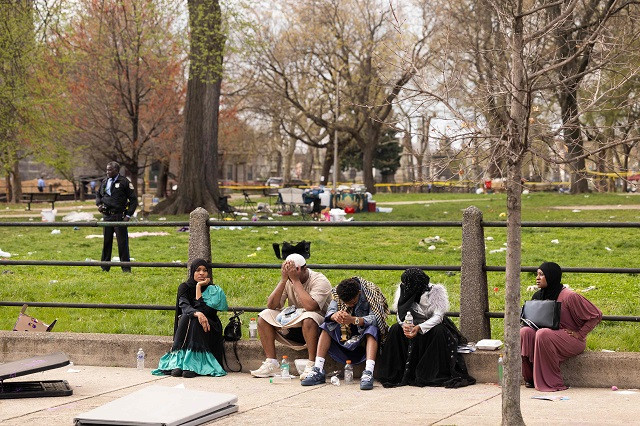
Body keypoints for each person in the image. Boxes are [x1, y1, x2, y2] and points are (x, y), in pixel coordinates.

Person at [377, 268, 476, 388]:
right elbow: (400, 311)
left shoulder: (435, 291)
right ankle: (395, 372)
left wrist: (419, 328)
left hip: (431, 325)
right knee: (394, 329)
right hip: (411, 323)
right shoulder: (404, 289)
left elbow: (438, 316)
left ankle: (431, 373)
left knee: (439, 332)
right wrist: (404, 325)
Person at [520, 262, 602, 391]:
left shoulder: (569, 296)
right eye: (537, 274)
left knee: (543, 334)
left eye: (541, 274)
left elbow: (596, 315)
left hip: (571, 340)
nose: (537, 278)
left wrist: (580, 334)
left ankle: (552, 382)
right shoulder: (537, 296)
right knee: (524, 332)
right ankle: (530, 378)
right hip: (546, 337)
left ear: (551, 276)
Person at [250, 253, 332, 379]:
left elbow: (311, 307)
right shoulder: (287, 280)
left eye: (295, 270)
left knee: (309, 317)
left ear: (305, 268)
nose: (291, 273)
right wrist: (284, 280)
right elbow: (271, 305)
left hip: (318, 323)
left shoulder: (320, 280)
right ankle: (272, 362)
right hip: (295, 319)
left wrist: (295, 280)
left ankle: (312, 364)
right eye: (288, 270)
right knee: (264, 316)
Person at [301, 276, 389, 390]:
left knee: (372, 329)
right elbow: (330, 312)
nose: (350, 306)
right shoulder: (337, 292)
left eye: (353, 302)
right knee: (326, 326)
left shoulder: (371, 292)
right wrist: (334, 316)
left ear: (359, 293)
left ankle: (368, 372)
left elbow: (377, 319)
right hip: (345, 332)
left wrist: (354, 320)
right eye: (346, 303)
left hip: (363, 333)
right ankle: (318, 369)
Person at [152, 258, 228, 378]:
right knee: (188, 317)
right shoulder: (184, 287)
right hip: (190, 326)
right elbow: (184, 306)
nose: (202, 273)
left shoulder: (214, 290)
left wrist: (198, 287)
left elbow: (206, 311)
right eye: (198, 270)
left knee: (192, 319)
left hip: (209, 327)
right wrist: (196, 314)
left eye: (205, 270)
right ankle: (181, 363)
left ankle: (193, 364)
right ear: (192, 272)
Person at [95, 161, 137, 272]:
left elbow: (133, 200)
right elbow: (98, 195)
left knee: (122, 243)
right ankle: (105, 267)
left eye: (110, 170)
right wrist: (99, 205)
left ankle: (126, 268)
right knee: (106, 242)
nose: (107, 172)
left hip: (119, 216)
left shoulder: (124, 182)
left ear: (116, 170)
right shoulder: (104, 181)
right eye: (107, 169)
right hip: (107, 216)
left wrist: (128, 215)